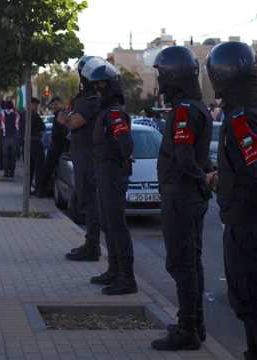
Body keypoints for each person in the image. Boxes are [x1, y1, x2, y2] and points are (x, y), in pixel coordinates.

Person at [206, 41, 257, 360]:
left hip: (246, 223)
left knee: (249, 298)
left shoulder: (241, 119)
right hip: (249, 219)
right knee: (248, 297)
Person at [150, 46, 215, 351]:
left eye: (162, 74)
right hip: (188, 196)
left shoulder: (185, 110)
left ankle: (188, 328)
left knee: (181, 263)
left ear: (173, 75)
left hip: (181, 196)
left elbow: (185, 156)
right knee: (192, 262)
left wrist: (201, 178)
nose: (159, 80)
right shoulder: (195, 106)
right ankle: (195, 323)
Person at [83, 57, 137, 295]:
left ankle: (126, 278)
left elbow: (124, 143)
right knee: (108, 224)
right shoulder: (106, 112)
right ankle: (114, 271)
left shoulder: (114, 113)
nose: (98, 90)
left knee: (116, 226)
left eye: (102, 85)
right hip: (104, 173)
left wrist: (119, 161)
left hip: (112, 174)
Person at [57, 56, 102, 262]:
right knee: (84, 201)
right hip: (82, 154)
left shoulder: (91, 99)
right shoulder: (89, 97)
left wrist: (63, 117)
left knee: (90, 202)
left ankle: (93, 247)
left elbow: (74, 122)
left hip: (87, 155)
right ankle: (90, 243)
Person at [35, 97, 68, 197]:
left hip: (58, 146)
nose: (55, 106)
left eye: (57, 103)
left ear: (61, 104)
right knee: (48, 168)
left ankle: (42, 189)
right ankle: (43, 189)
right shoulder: (58, 114)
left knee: (48, 168)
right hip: (56, 145)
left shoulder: (61, 113)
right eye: (53, 104)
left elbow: (63, 129)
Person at [28, 98, 46, 191]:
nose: (36, 107)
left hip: (27, 144)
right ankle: (39, 189)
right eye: (35, 105)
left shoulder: (23, 115)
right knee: (39, 166)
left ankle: (27, 189)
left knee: (29, 167)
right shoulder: (35, 115)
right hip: (36, 143)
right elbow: (43, 129)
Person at [1, 102, 20, 177]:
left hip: (5, 137)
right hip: (14, 137)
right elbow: (17, 126)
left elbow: (1, 125)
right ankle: (12, 172)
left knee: (5, 156)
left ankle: (6, 172)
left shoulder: (2, 114)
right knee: (13, 156)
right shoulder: (17, 114)